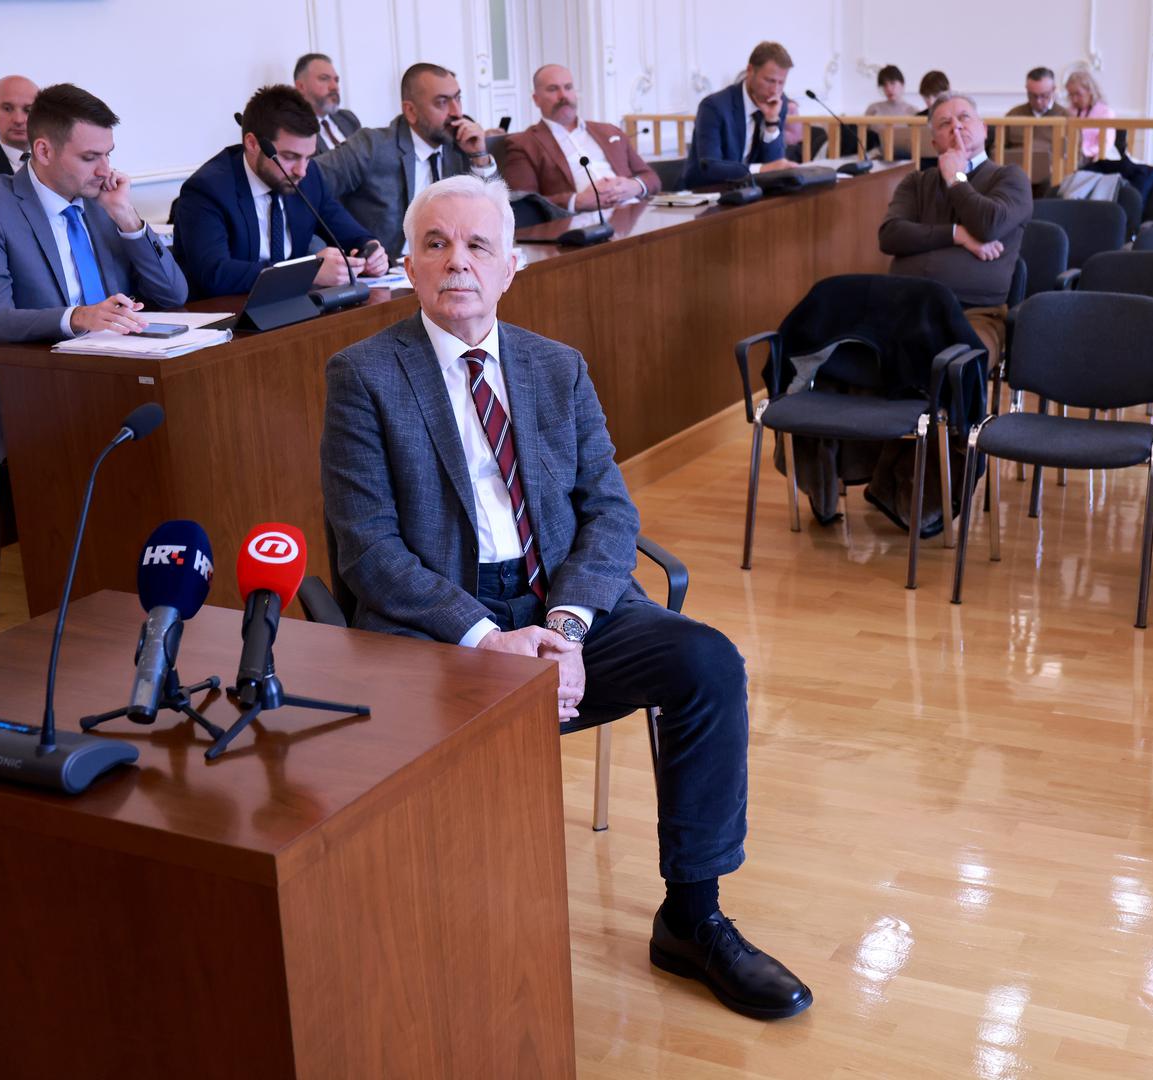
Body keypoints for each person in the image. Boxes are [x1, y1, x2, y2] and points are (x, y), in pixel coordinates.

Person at [320, 174, 814, 1022]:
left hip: (563, 608)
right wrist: (485, 636)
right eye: (435, 244)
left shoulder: (556, 367)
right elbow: (367, 548)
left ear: (512, 265)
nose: (457, 263)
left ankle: (692, 918)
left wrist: (565, 626)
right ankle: (466, 941)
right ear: (407, 264)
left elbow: (610, 507)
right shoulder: (363, 375)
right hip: (443, 626)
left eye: (477, 245)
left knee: (706, 662)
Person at [0, 83, 187, 459]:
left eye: (108, 154)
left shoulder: (100, 201)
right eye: (90, 157)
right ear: (44, 150)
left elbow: (173, 294)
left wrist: (127, 218)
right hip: (32, 384)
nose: (105, 170)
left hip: (113, 371)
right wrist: (79, 317)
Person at [173, 85, 385, 300]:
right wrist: (307, 271)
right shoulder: (208, 190)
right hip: (227, 317)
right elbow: (214, 275)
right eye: (290, 156)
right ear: (252, 143)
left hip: (292, 310)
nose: (301, 170)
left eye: (308, 157)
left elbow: (349, 232)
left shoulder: (308, 176)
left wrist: (371, 249)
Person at [879, 91, 1032, 367]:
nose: (956, 127)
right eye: (944, 123)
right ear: (934, 140)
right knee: (859, 352)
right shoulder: (916, 182)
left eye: (964, 118)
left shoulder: (1009, 177)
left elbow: (988, 226)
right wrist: (957, 234)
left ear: (984, 130)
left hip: (976, 315)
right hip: (908, 306)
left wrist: (955, 178)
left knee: (950, 365)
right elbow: (891, 235)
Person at [317, 63, 499, 258]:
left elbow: (494, 217)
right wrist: (326, 250)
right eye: (442, 102)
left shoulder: (459, 144)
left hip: (452, 264)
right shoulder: (371, 147)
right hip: (389, 273)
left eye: (457, 99)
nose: (456, 112)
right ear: (411, 111)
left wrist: (479, 156)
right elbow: (308, 186)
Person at [502, 64, 660, 210]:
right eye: (552, 89)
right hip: (582, 225)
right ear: (536, 99)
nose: (563, 95)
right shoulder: (524, 144)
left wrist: (635, 186)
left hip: (633, 213)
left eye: (568, 87)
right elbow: (523, 203)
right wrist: (577, 201)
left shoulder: (609, 131)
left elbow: (651, 178)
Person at [683, 42, 796, 187]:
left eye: (781, 83)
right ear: (750, 71)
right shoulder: (714, 107)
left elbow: (775, 165)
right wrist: (762, 169)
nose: (775, 90)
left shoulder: (779, 102)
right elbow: (710, 167)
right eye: (769, 80)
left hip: (749, 192)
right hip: (705, 193)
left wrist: (771, 122)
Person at [1002, 66, 1067, 190]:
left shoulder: (1065, 117)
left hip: (1052, 178)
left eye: (1044, 95)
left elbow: (1075, 155)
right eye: (1033, 96)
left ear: (1053, 90)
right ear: (1027, 90)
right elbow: (998, 148)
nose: (1038, 101)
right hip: (1016, 175)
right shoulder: (1013, 114)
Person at [294, 53, 360, 154]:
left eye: (336, 80)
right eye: (324, 78)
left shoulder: (348, 118)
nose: (335, 87)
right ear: (301, 87)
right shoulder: (293, 127)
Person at [865, 65, 917, 160]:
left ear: (902, 84)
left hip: (904, 156)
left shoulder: (913, 111)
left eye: (892, 83)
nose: (888, 89)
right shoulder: (873, 108)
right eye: (885, 85)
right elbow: (863, 137)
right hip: (877, 156)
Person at [1064, 68, 1114, 164]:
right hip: (1070, 158)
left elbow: (1106, 144)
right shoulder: (1068, 112)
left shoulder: (1105, 112)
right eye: (1071, 95)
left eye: (1078, 94)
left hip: (1094, 159)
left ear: (1090, 91)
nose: (1074, 99)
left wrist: (1084, 152)